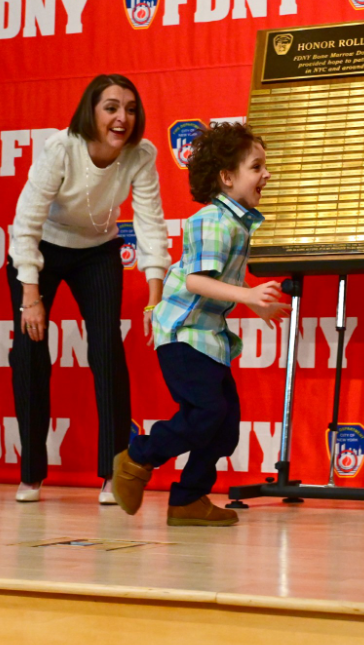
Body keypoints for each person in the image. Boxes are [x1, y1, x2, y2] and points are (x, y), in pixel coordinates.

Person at [110, 122, 289, 527]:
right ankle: (137, 457)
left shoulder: (237, 222)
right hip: (182, 334)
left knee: (224, 430)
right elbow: (194, 280)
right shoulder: (213, 220)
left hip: (207, 337)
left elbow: (220, 276)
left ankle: (188, 500)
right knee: (206, 412)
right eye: (257, 166)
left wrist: (255, 305)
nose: (267, 174)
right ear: (227, 177)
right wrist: (249, 296)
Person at [6, 74, 170, 504]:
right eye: (111, 107)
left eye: (131, 109)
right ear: (91, 111)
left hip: (96, 251)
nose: (122, 118)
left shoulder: (141, 154)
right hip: (40, 250)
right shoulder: (62, 148)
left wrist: (154, 298)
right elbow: (26, 222)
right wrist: (31, 296)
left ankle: (112, 474)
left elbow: (151, 224)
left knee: (108, 354)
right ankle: (30, 475)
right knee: (29, 354)